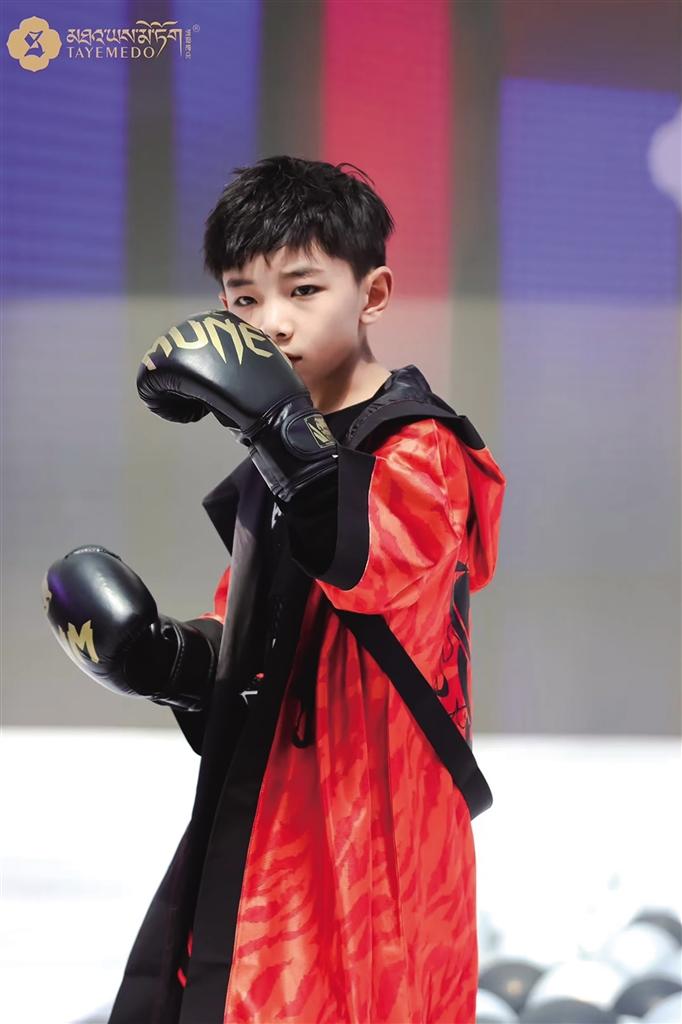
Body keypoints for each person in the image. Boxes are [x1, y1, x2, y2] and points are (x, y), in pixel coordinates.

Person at [43, 156, 506, 1023]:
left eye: (302, 290)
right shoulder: (279, 455)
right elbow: (252, 627)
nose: (272, 323)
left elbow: (377, 566)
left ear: (372, 294)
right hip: (274, 805)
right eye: (244, 300)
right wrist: (165, 659)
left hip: (376, 822)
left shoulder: (419, 443)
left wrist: (275, 426)